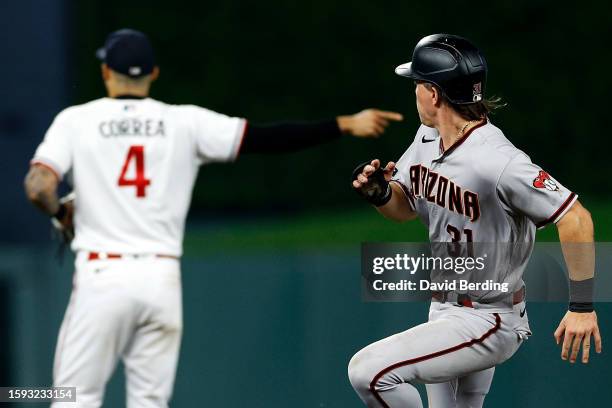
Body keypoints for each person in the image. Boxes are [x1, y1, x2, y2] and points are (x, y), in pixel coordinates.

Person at [24, 28, 402, 408]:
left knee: (73, 398)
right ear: (153, 74)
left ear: (106, 71)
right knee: (149, 401)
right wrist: (345, 124)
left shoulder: (76, 120)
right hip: (160, 279)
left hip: (101, 277)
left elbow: (38, 187)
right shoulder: (184, 122)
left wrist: (60, 212)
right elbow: (265, 138)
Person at [348, 33, 601, 408]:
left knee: (368, 372)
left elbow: (576, 218)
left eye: (417, 83)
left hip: (489, 317)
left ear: (433, 94)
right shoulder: (426, 138)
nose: (414, 91)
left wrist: (582, 307)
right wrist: (381, 194)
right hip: (444, 309)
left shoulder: (499, 161)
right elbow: (404, 210)